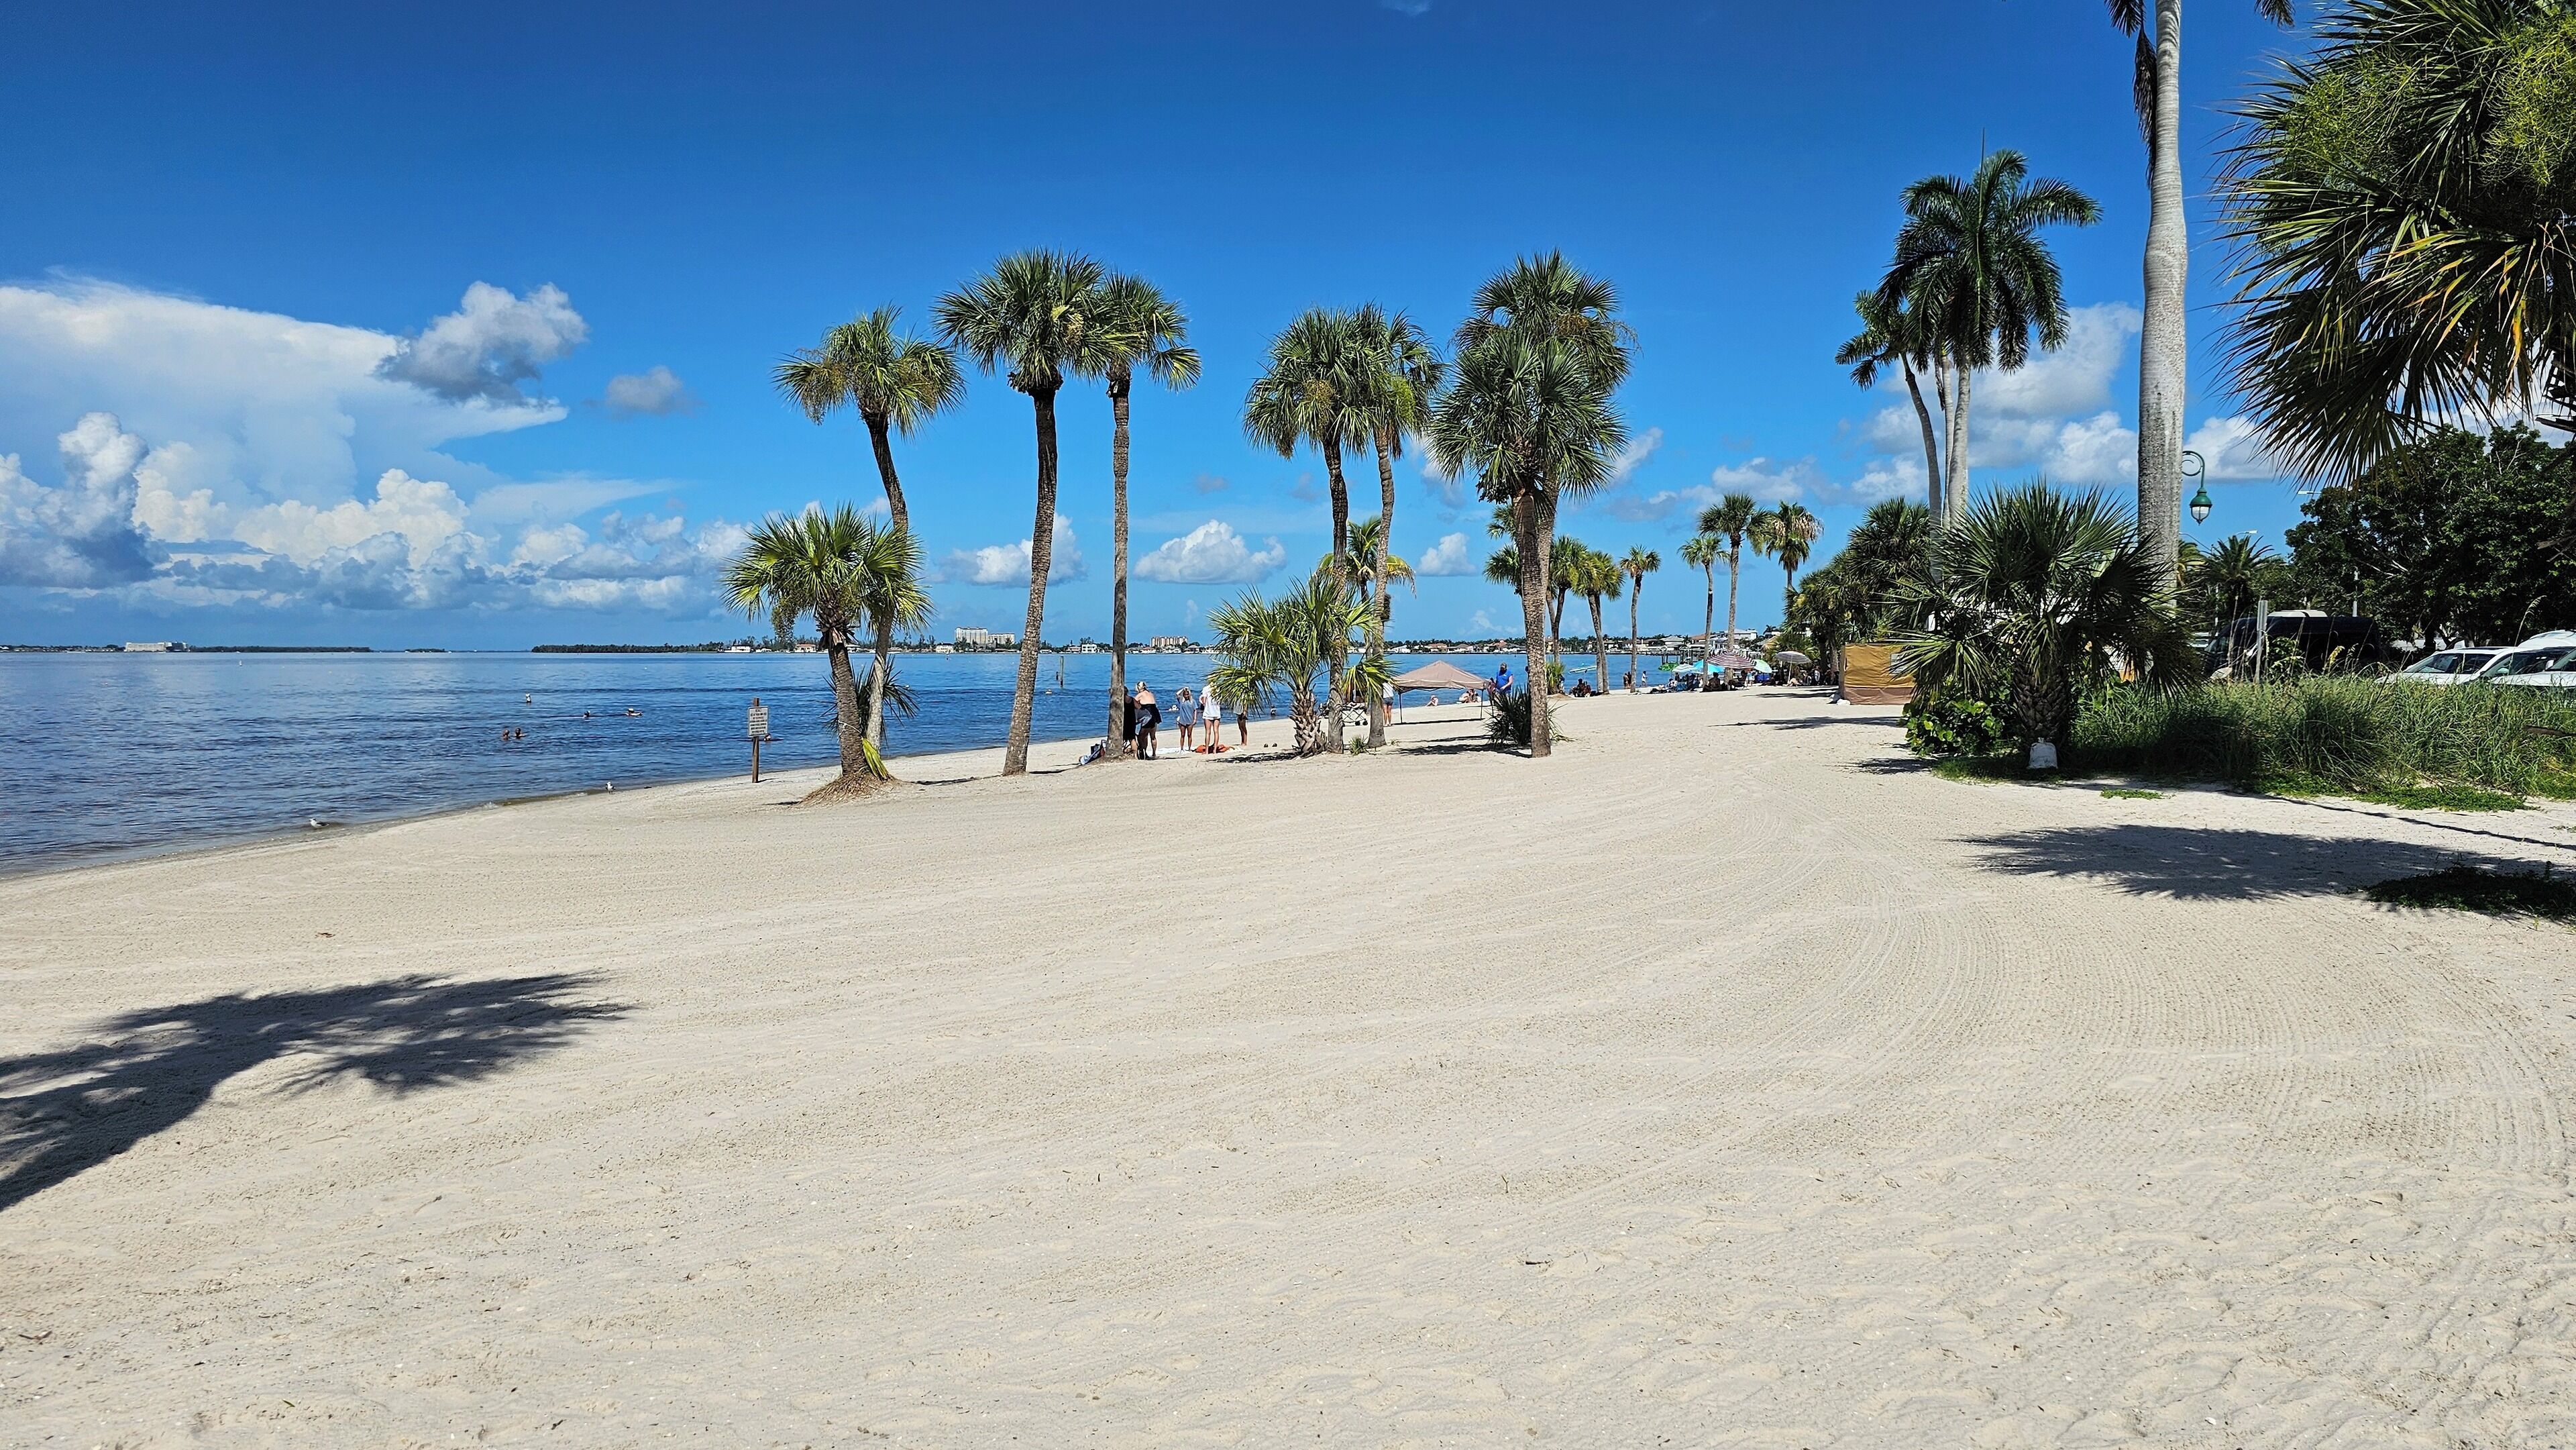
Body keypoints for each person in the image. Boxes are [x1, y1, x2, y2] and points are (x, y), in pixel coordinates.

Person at [1135, 683, 1161, 759]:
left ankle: (1144, 752)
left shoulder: (1140, 695)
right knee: (1153, 736)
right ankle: (1154, 754)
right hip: (1156, 715)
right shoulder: (1151, 694)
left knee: (1142, 736)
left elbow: (1133, 703)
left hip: (1148, 716)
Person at [1175, 686, 1199, 753]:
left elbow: (1195, 710)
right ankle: (1182, 748)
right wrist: (1183, 689)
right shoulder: (1181, 701)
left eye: (1187, 695)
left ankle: (1189, 747)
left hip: (1190, 720)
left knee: (1189, 735)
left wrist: (1195, 719)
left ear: (1189, 695)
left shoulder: (1193, 702)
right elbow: (1177, 694)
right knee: (1182, 735)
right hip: (1182, 720)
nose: (1186, 696)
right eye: (1185, 695)